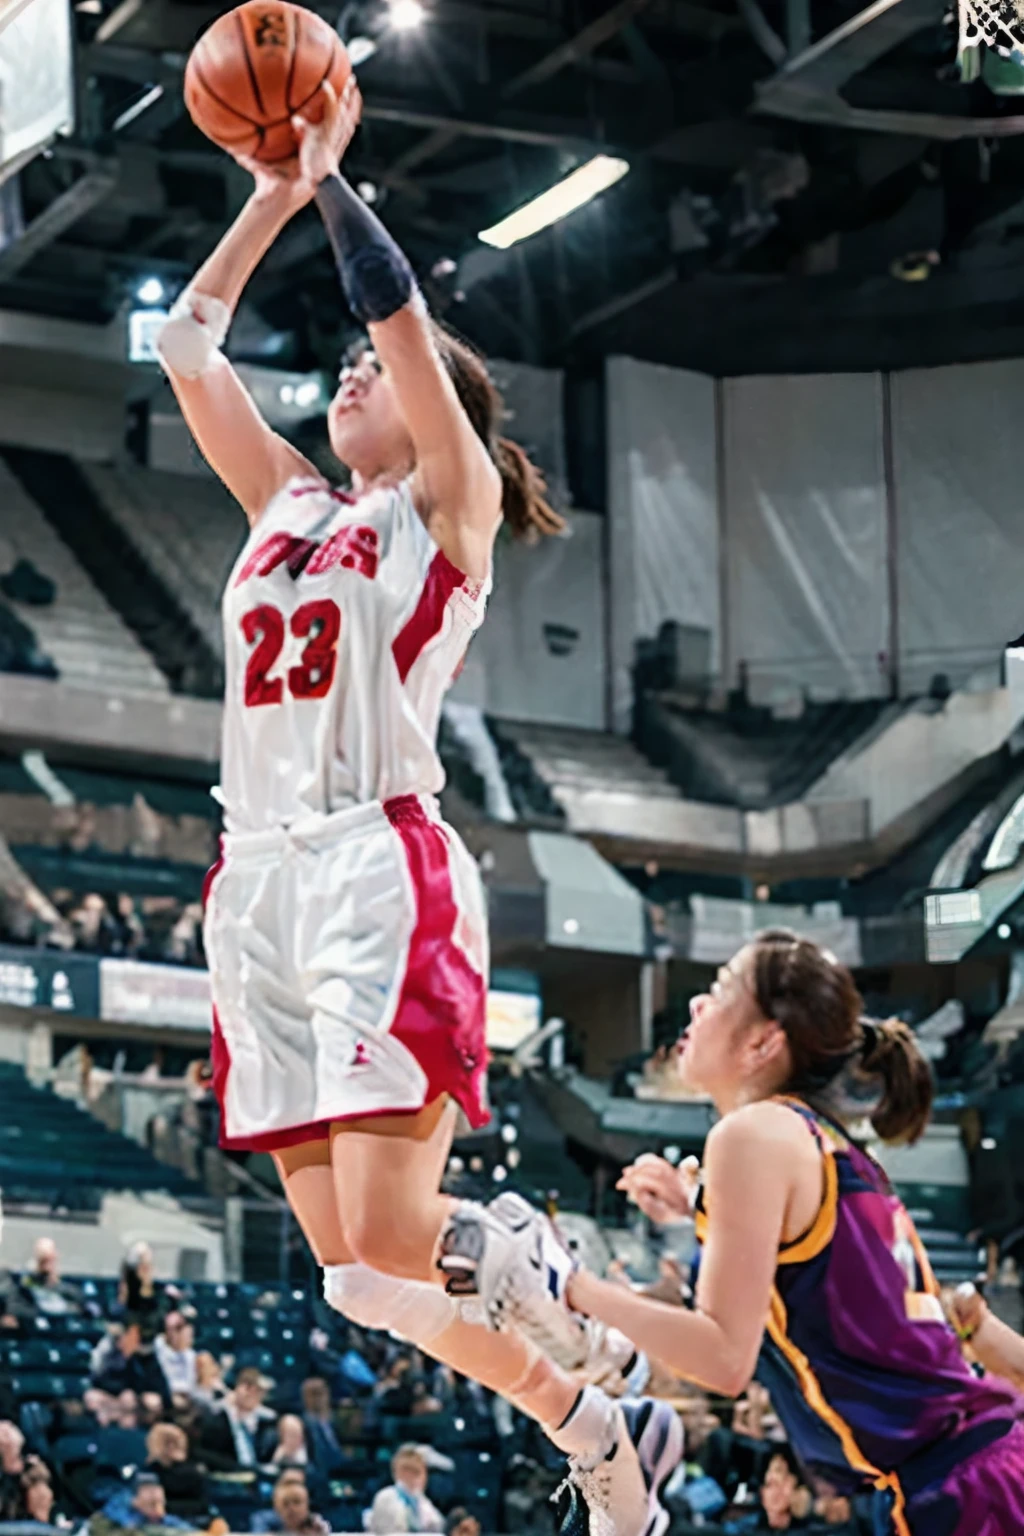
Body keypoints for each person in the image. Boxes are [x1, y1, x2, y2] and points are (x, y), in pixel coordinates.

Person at [156, 65, 675, 1536]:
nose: (351, 375)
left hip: (373, 869)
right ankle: (590, 1420)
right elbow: (190, 345)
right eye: (348, 369)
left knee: (398, 1231)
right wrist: (264, 200)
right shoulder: (285, 507)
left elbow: (393, 313)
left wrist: (328, 176)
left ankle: (539, 1266)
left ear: (436, 402)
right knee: (357, 1273)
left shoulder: (444, 510)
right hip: (248, 879)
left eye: (378, 372)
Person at [449, 929, 1024, 1536]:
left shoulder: (752, 1134)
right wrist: (699, 1206)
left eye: (719, 992)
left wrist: (570, 1284)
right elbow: (814, 1274)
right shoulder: (816, 1140)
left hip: (958, 1490)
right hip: (969, 1470)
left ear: (762, 1042)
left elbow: (723, 1358)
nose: (697, 1005)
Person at [197, 1366, 277, 1471]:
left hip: (256, 1471)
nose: (251, 1394)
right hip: (227, 1472)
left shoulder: (266, 1420)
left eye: (257, 1391)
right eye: (248, 1388)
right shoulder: (219, 1414)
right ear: (237, 1388)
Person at [367, 1445, 444, 1535]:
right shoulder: (386, 1498)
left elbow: (440, 1528)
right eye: (416, 1471)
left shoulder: (421, 1501)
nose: (423, 1478)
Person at [145, 1422, 207, 1523]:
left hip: (189, 1522)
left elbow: (202, 1505)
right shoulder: (148, 1472)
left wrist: (164, 1507)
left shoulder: (192, 1473)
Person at [155, 1312, 199, 1399]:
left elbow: (190, 1384)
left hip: (185, 1395)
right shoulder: (158, 1346)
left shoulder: (190, 1355)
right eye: (169, 1328)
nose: (172, 1332)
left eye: (178, 1328)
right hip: (162, 1393)